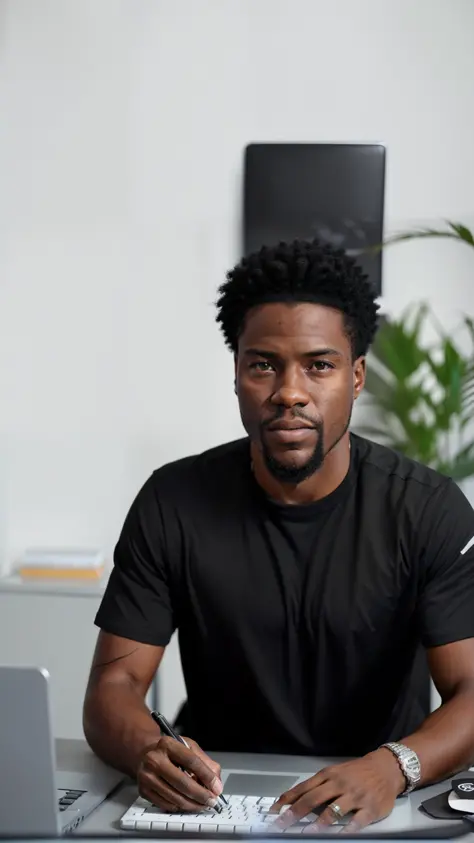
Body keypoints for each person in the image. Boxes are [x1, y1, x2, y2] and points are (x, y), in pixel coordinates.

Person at [83, 238, 474, 832]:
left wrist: (394, 766)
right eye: (263, 363)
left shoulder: (426, 509)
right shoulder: (173, 501)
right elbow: (114, 684)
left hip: (378, 800)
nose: (290, 391)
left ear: (357, 376)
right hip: (215, 800)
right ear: (237, 374)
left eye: (319, 364)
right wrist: (149, 752)